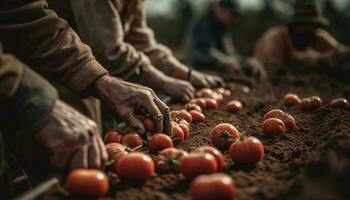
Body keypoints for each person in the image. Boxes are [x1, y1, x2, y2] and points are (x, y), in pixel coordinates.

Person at [0, 0, 172, 196]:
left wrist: (102, 82)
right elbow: (109, 50)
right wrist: (32, 97)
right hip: (41, 88)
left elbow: (25, 15)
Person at [46, 0, 224, 101]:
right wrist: (163, 81)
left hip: (89, 75)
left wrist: (184, 73)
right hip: (59, 73)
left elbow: (141, 41)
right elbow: (107, 50)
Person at [254, 0, 346, 71]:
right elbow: (272, 69)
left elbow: (339, 51)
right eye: (303, 25)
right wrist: (318, 59)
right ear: (295, 25)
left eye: (311, 25)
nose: (307, 29)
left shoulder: (317, 36)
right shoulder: (277, 38)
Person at [188, 0, 266, 79]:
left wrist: (245, 61)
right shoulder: (203, 25)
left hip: (219, 69)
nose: (232, 17)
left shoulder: (222, 28)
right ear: (219, 10)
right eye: (231, 13)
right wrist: (225, 61)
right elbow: (204, 52)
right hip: (198, 70)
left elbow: (230, 53)